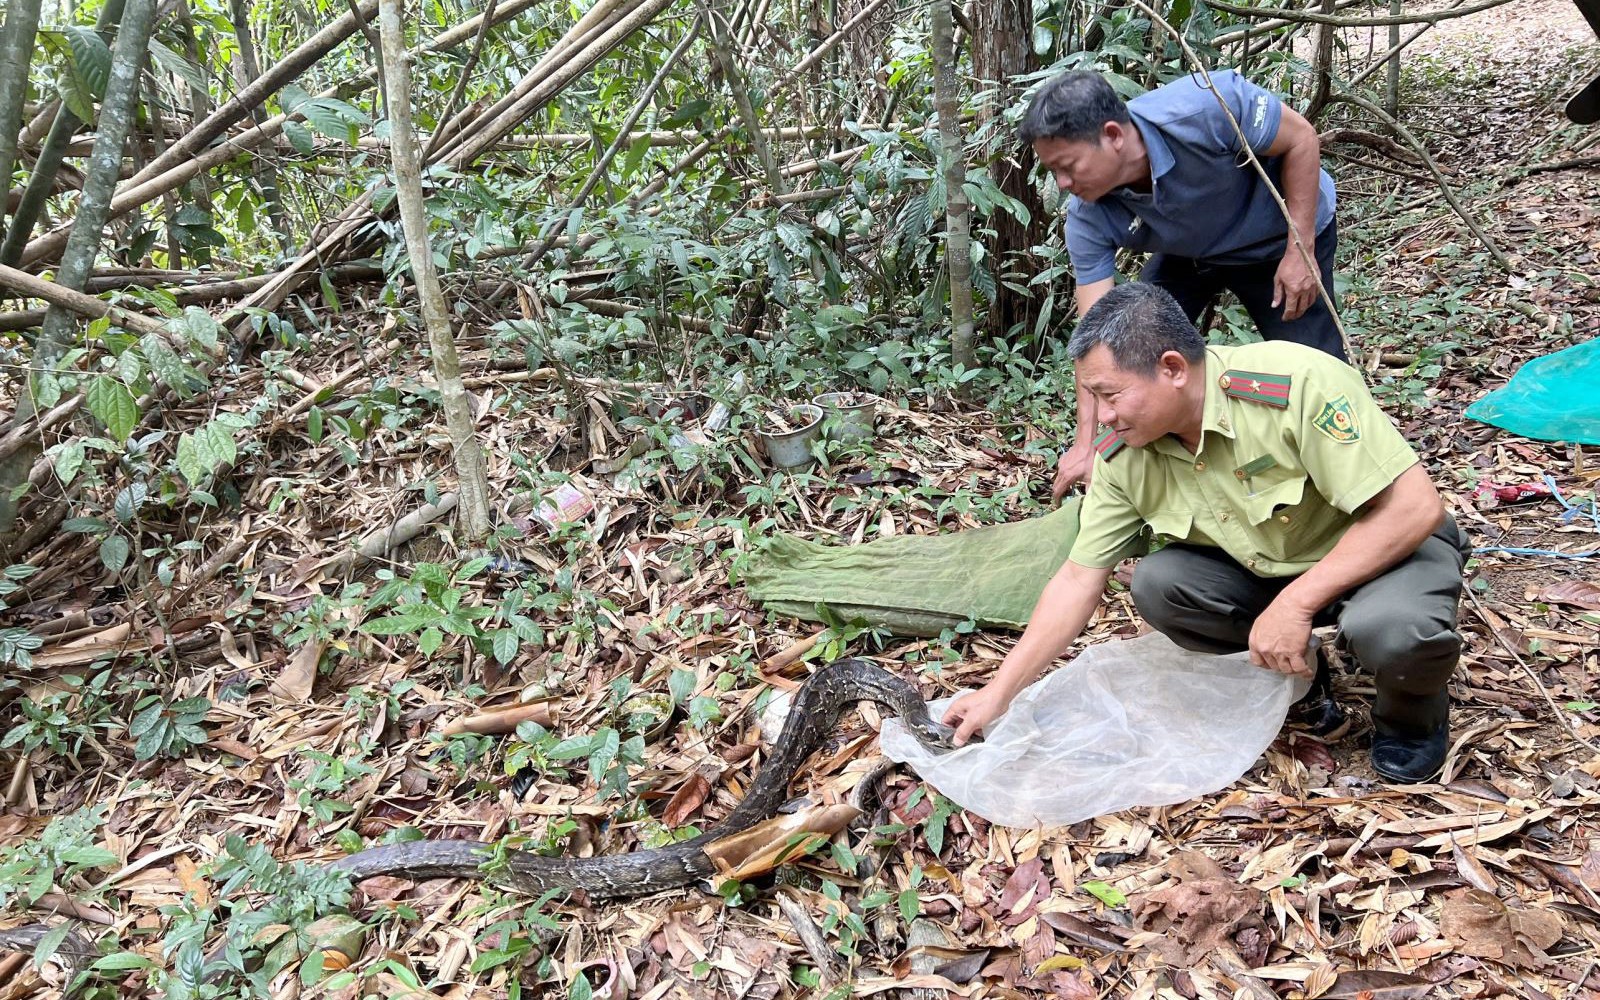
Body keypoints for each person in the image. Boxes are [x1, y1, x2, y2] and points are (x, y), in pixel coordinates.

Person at [944, 284, 1470, 784]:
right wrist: (1000, 692)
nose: (1102, 417)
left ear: (1171, 368)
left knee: (1397, 632)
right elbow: (1080, 577)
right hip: (1270, 569)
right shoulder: (1125, 453)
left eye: (1110, 395)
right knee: (1161, 583)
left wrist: (1297, 604)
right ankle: (1302, 677)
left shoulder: (1293, 385)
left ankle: (1411, 718)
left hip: (1381, 553)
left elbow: (1413, 508)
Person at [1018, 69, 1343, 497]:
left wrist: (1299, 250)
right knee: (1133, 344)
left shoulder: (1206, 108)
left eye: (1067, 166)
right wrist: (1088, 444)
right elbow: (1094, 339)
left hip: (1278, 234)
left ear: (1113, 135)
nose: (1062, 184)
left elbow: (1301, 137)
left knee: (1318, 369)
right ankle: (1173, 466)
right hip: (1192, 251)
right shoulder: (1087, 214)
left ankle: (1343, 474)